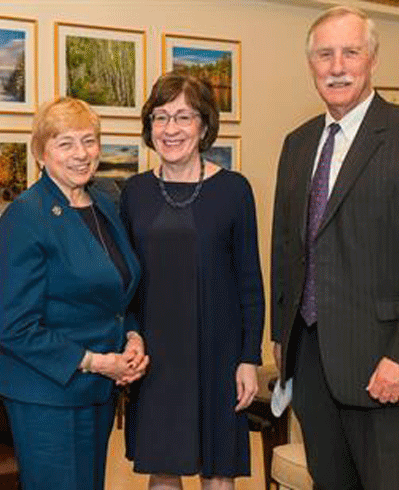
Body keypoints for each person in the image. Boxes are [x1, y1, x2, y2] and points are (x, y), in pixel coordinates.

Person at [271, 6, 399, 490]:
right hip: (315, 367)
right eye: (324, 54)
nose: (337, 66)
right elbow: (286, 248)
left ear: (373, 60)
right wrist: (283, 339)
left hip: (392, 369)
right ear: (311, 64)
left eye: (350, 52)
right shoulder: (298, 144)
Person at [0, 97, 148, 490]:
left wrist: (132, 335)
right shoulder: (26, 216)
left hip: (98, 391)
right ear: (41, 154)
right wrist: (97, 362)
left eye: (89, 141)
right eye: (65, 143)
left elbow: (117, 290)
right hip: (48, 395)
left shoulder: (104, 205)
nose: (81, 154)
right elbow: (15, 327)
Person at [121, 72, 265, 490]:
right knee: (163, 466)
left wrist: (248, 358)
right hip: (157, 354)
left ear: (204, 125)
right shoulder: (134, 193)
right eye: (161, 117)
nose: (171, 129)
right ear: (149, 127)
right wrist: (130, 336)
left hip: (220, 352)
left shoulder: (234, 191)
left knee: (218, 469)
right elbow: (126, 282)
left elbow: (249, 284)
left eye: (183, 117)